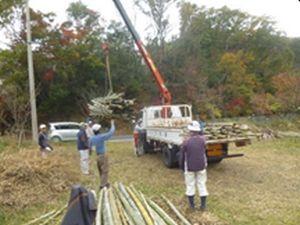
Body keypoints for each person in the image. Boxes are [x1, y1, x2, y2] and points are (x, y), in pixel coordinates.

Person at [180, 120, 208, 210]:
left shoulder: (186, 142)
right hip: (201, 165)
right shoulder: (203, 140)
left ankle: (192, 206)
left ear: (190, 131)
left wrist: (182, 167)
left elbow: (182, 155)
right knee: (201, 184)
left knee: (190, 185)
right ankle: (203, 205)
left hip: (190, 166)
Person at [89, 120, 115, 189]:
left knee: (100, 170)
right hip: (103, 155)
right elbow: (111, 133)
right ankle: (103, 185)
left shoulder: (91, 138)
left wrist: (90, 153)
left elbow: (89, 147)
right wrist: (112, 124)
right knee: (105, 170)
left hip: (97, 156)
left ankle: (104, 182)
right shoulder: (101, 137)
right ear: (99, 130)